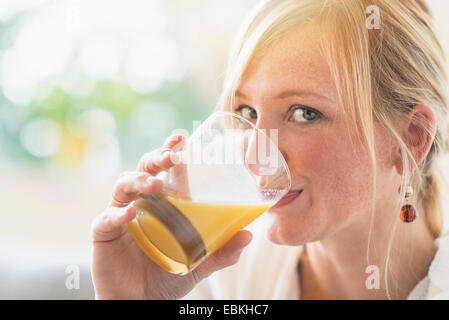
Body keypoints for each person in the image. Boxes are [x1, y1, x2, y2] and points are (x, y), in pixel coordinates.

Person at [90, 0, 449, 299]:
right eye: (247, 112)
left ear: (413, 138)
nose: (252, 158)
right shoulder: (224, 280)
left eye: (304, 114)